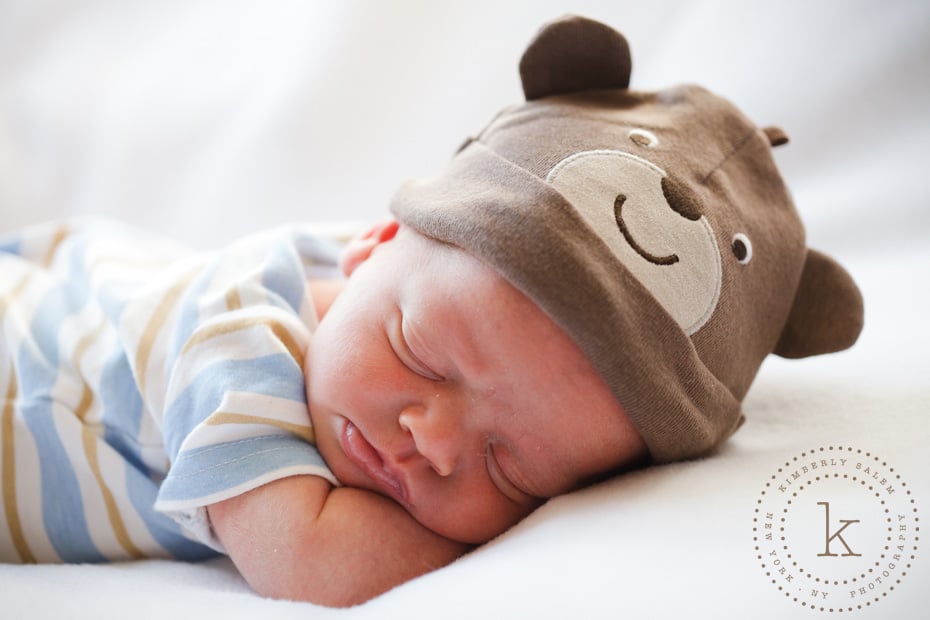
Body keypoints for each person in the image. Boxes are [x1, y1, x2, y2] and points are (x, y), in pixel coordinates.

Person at [0, 15, 863, 607]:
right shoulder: (233, 342)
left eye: (511, 469)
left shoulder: (414, 289)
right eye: (418, 351)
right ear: (371, 245)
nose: (432, 439)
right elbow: (309, 560)